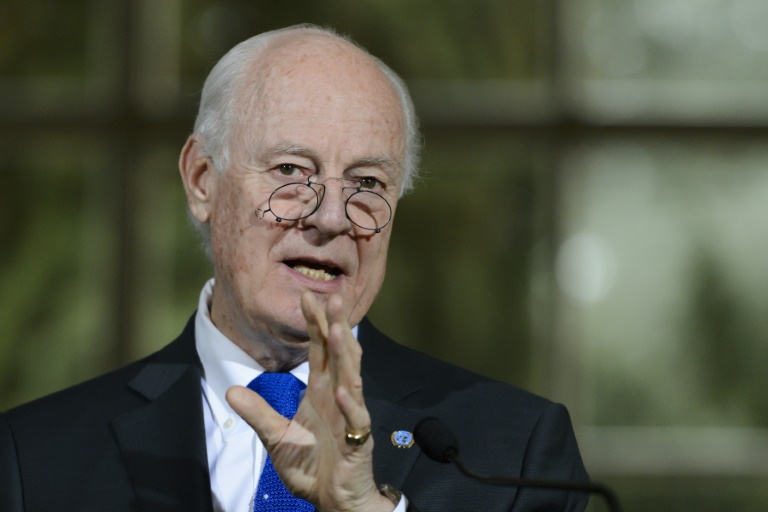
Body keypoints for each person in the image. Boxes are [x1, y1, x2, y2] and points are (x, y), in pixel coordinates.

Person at [0, 24, 589, 511]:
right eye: (289, 171)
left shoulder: (513, 455)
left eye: (367, 183)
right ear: (203, 180)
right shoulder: (36, 456)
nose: (332, 217)